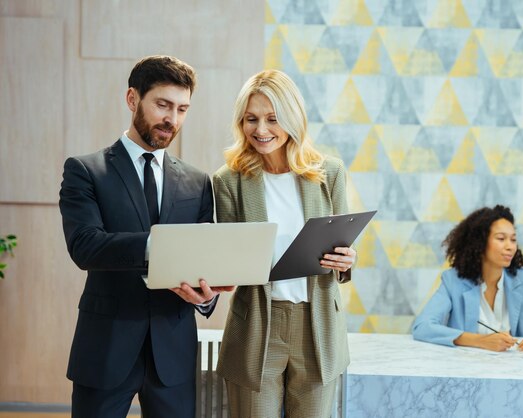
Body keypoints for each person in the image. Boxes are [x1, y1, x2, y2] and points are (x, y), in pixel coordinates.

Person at [59, 55, 233, 418]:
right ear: (132, 99)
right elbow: (85, 246)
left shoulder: (200, 183)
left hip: (173, 355)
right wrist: (161, 246)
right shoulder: (86, 171)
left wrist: (205, 297)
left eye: (182, 108)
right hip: (105, 349)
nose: (172, 119)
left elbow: (203, 260)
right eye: (163, 105)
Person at [213, 69, 356, 417]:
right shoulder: (228, 181)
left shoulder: (329, 173)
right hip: (257, 326)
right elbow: (231, 262)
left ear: (292, 118)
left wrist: (347, 260)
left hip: (317, 323)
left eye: (273, 119)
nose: (261, 130)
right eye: (251, 119)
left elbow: (343, 248)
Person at [412, 205, 523, 352]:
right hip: (467, 372)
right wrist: (480, 341)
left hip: (516, 373)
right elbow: (423, 327)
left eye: (513, 239)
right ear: (480, 243)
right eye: (501, 239)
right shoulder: (453, 281)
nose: (510, 246)